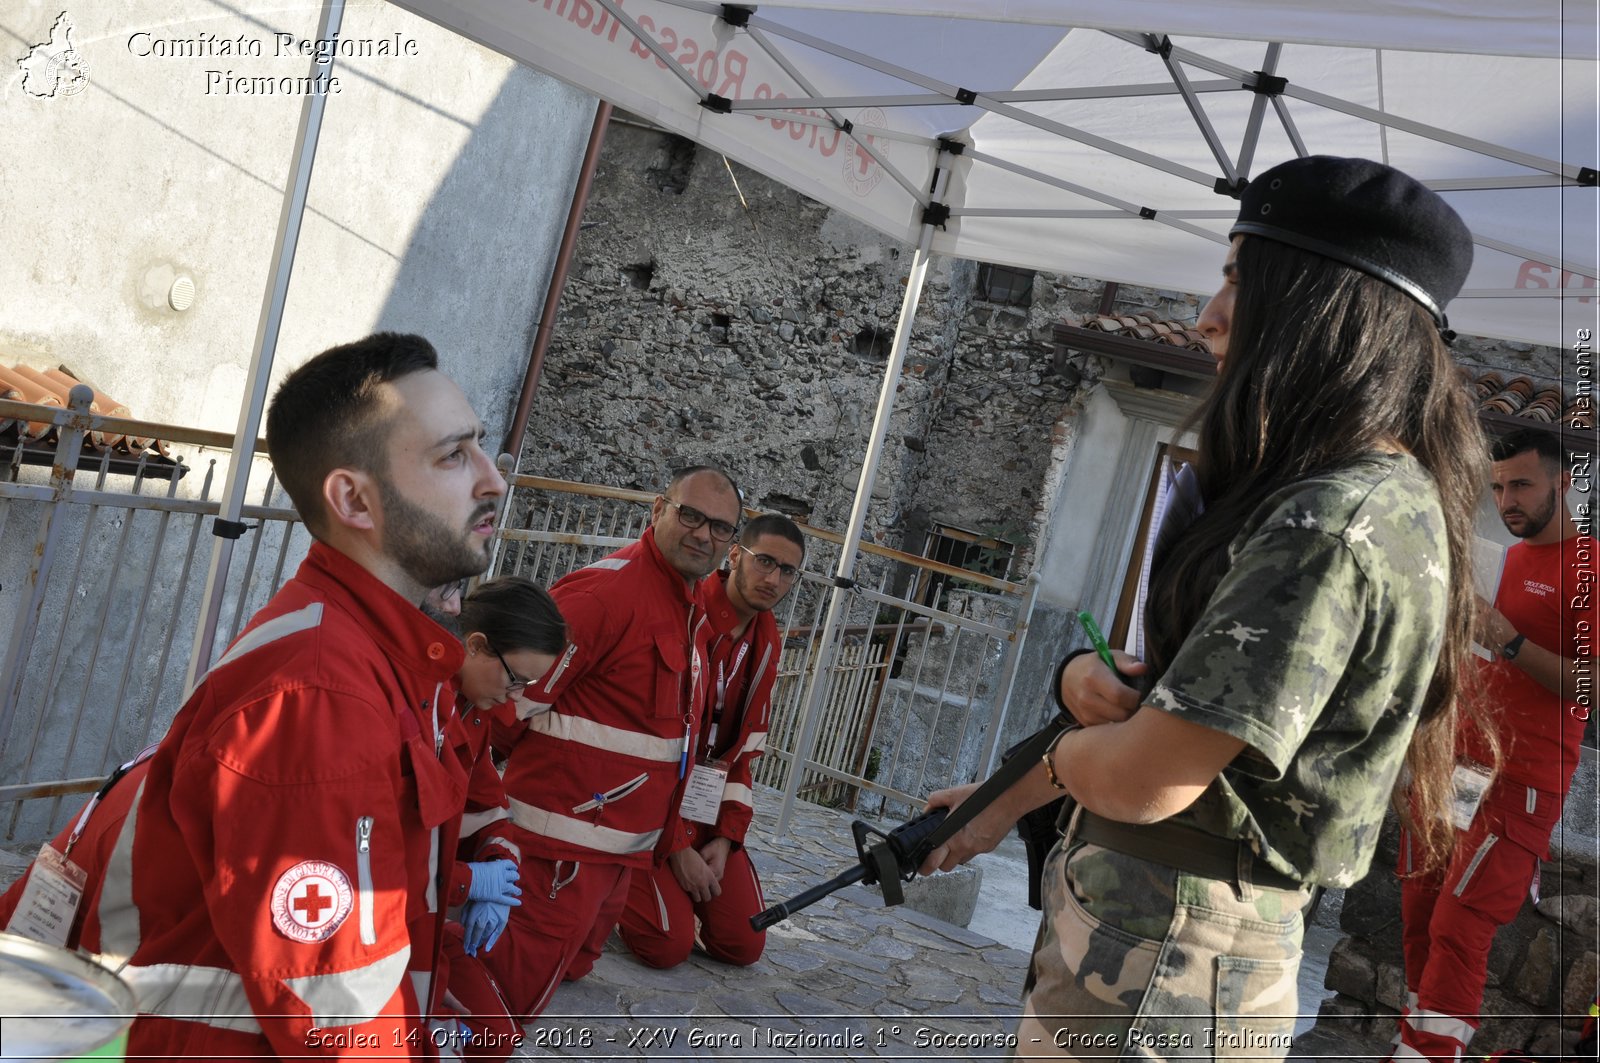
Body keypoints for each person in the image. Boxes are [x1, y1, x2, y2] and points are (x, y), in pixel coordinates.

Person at [918, 156, 1491, 1059]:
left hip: (1164, 961)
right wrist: (1016, 784)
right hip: (1159, 941)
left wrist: (1064, 752)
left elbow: (1153, 777)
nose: (1208, 318)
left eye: (1236, 280)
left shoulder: (1328, 520)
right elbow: (1177, 715)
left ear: (1316, 308)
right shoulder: (1359, 497)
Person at [77, 333, 506, 1058]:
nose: (492, 479)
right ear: (353, 499)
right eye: (452, 454)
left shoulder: (378, 654)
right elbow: (343, 1021)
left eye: (481, 446)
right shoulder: (319, 693)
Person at [483, 465, 742, 1019]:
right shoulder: (606, 593)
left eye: (720, 528)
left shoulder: (687, 603)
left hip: (620, 858)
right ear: (657, 510)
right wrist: (472, 820)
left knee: (559, 978)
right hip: (560, 856)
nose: (703, 534)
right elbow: (503, 709)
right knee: (498, 1005)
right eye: (690, 515)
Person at [1395, 430, 1595, 1062]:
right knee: (1421, 903)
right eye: (1500, 486)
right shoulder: (1501, 556)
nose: (1506, 499)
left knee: (1462, 921)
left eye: (1522, 485)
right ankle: (1414, 1046)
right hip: (1457, 765)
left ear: (1564, 484)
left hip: (1522, 781)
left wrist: (1505, 637)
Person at [619, 512, 805, 968]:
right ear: (736, 555)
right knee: (665, 946)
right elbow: (647, 740)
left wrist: (725, 837)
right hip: (648, 803)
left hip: (702, 807)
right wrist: (678, 847)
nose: (774, 579)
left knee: (743, 944)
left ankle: (672, 885)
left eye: (787, 571)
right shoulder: (688, 614)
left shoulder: (767, 640)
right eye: (764, 561)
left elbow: (745, 753)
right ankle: (617, 877)